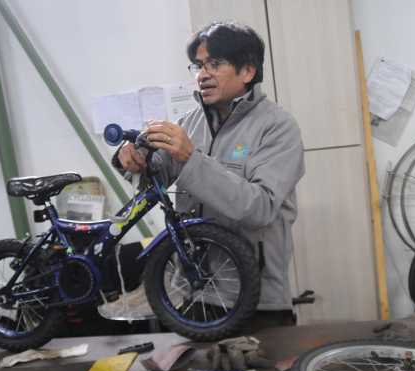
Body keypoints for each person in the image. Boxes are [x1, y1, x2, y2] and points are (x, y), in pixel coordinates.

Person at [112, 22, 305, 315]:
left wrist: (191, 158)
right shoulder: (188, 123)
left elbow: (260, 208)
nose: (203, 75)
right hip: (191, 291)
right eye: (198, 66)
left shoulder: (278, 127)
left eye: (215, 64)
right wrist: (133, 159)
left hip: (254, 298)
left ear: (248, 71)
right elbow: (156, 181)